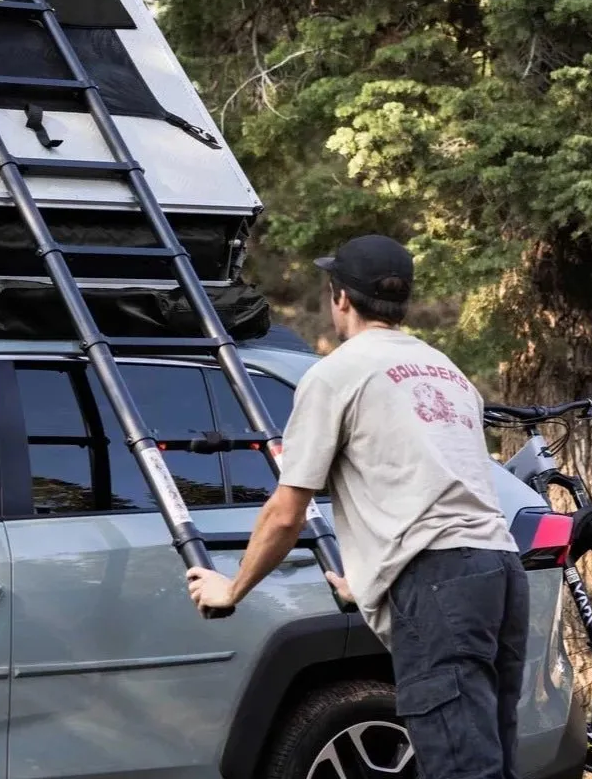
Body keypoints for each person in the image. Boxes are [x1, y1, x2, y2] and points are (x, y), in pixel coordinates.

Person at [187, 234, 528, 779]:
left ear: (339, 297)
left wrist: (232, 588)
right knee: (488, 757)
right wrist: (371, 580)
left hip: (439, 582)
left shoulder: (336, 374)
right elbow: (433, 485)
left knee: (461, 767)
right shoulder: (445, 371)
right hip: (499, 572)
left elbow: (286, 510)